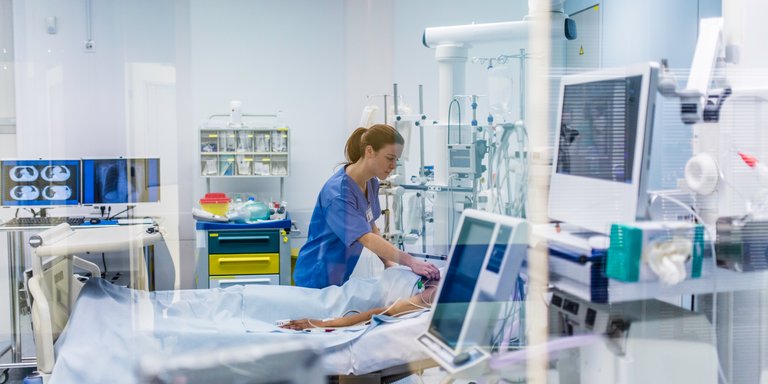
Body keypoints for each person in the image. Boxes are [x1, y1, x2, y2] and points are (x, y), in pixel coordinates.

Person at [293, 124, 440, 288]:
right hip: (315, 274)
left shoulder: (371, 183)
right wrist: (411, 261)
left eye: (396, 160)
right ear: (369, 151)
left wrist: (388, 262)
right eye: (389, 158)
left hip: (339, 274)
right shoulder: (338, 194)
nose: (393, 165)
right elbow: (366, 238)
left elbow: (370, 226)